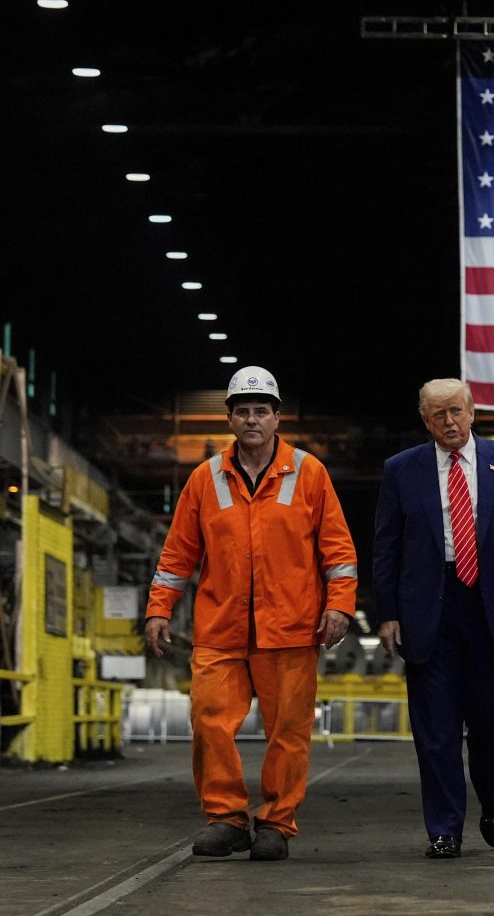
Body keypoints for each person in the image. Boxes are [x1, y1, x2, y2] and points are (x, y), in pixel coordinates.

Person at [145, 365, 357, 862]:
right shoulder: (204, 479)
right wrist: (159, 609)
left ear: (277, 417)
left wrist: (341, 606)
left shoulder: (309, 473)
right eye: (243, 411)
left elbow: (338, 551)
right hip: (222, 628)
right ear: (230, 419)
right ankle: (228, 818)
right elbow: (177, 555)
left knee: (288, 731)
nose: (252, 420)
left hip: (290, 628)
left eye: (261, 410)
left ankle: (277, 823)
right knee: (209, 722)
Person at [373, 378, 494, 859]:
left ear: (472, 413)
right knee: (436, 730)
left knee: (491, 720)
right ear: (425, 421)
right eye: (438, 414)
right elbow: (387, 546)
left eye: (457, 412)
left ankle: (492, 795)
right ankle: (444, 828)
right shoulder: (401, 470)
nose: (450, 422)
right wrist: (388, 615)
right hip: (430, 610)